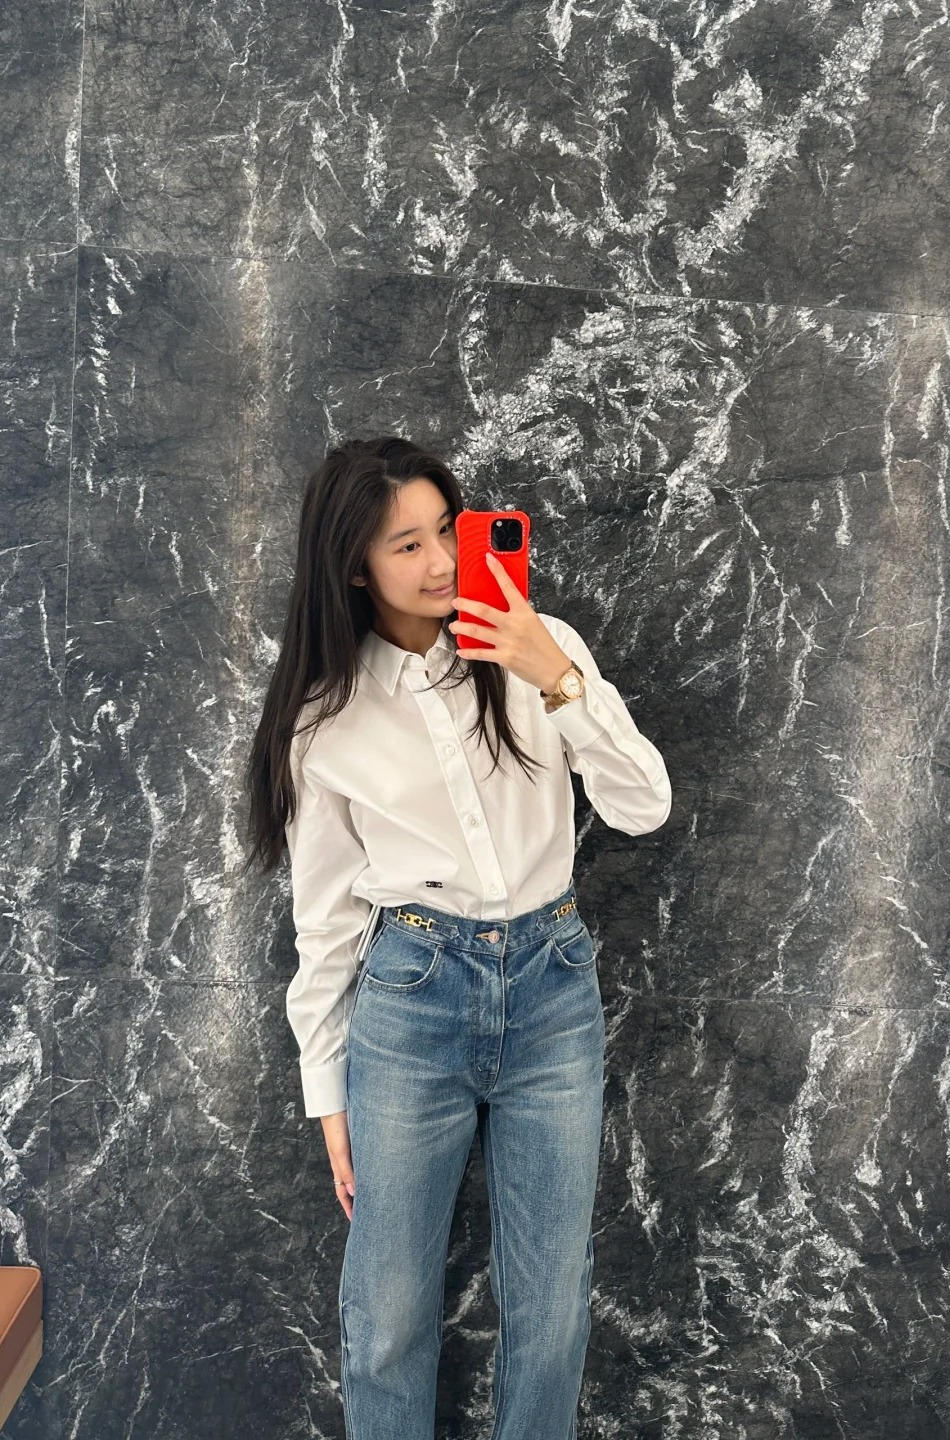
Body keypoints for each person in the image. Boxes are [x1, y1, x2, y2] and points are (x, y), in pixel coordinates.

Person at [245, 435, 671, 1440]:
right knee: (388, 1312)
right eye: (407, 545)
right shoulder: (325, 715)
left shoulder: (541, 646)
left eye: (447, 529)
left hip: (551, 985)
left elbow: (644, 806)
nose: (440, 561)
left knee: (552, 1307)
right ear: (355, 566)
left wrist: (554, 676)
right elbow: (326, 921)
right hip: (411, 994)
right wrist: (327, 1091)